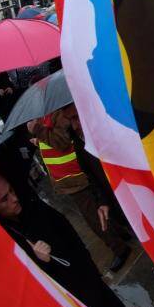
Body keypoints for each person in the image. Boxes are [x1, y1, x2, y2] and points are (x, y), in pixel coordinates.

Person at [0, 172, 127, 307]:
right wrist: (43, 262)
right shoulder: (3, 242)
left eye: (11, 190)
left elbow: (70, 235)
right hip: (68, 297)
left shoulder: (37, 210)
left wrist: (90, 268)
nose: (14, 199)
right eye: (4, 199)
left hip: (87, 277)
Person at [28, 107, 133, 273]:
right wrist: (39, 139)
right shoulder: (46, 116)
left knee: (93, 217)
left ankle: (119, 248)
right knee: (98, 210)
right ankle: (120, 233)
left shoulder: (58, 114)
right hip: (69, 180)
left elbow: (62, 141)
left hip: (76, 178)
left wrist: (38, 130)